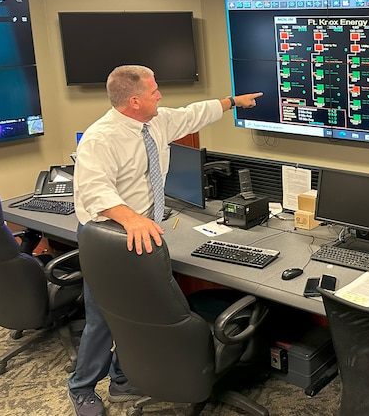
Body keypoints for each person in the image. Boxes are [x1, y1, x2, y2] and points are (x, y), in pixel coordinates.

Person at [67, 65, 262, 416]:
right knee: (103, 318)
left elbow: (193, 114)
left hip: (144, 232)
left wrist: (233, 101)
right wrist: (131, 219)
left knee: (138, 314)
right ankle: (81, 388)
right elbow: (93, 190)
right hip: (109, 237)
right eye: (155, 91)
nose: (161, 96)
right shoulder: (101, 138)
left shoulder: (154, 122)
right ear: (134, 100)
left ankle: (121, 378)